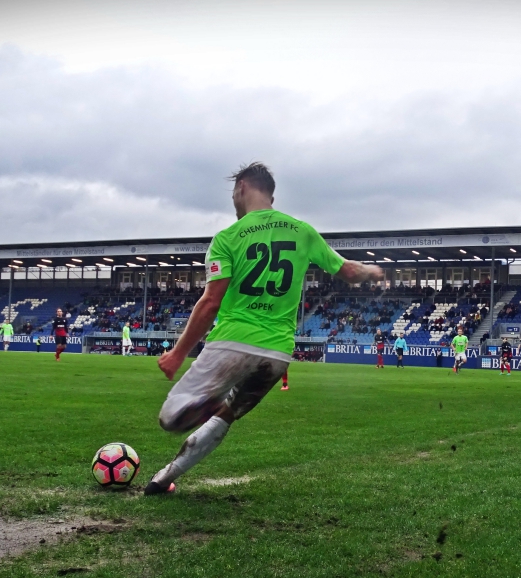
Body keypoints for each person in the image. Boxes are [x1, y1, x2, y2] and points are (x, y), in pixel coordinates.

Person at [145, 162, 383, 496]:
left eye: (233, 192)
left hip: (232, 342)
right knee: (226, 417)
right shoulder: (302, 231)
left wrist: (177, 353)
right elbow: (346, 270)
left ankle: (209, 405)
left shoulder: (227, 238)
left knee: (170, 416)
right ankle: (165, 477)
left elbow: (211, 302)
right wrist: (371, 271)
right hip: (277, 353)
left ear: (242, 187)